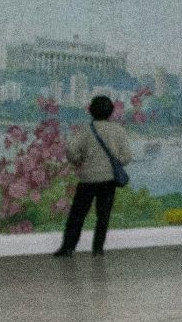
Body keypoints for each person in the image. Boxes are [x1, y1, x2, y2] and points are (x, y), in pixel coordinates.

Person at [52, 94, 132, 258]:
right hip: (109, 180)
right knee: (103, 215)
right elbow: (127, 156)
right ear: (111, 112)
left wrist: (79, 161)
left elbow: (71, 150)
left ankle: (68, 248)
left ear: (90, 111)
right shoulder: (118, 130)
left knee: (77, 215)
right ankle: (98, 249)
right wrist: (116, 163)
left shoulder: (85, 130)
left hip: (87, 179)